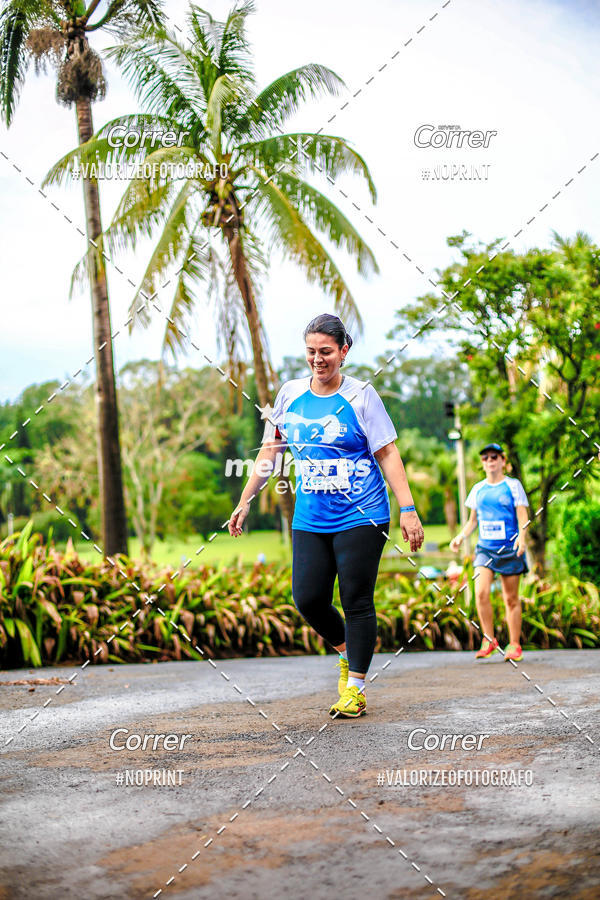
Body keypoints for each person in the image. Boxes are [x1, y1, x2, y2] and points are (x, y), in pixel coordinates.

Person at [228, 313, 424, 718]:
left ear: (344, 351)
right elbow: (271, 450)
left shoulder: (362, 396)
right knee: (309, 597)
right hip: (311, 514)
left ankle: (355, 688)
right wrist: (245, 499)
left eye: (326, 352)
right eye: (311, 352)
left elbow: (387, 453)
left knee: (355, 600)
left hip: (362, 512)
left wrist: (408, 509)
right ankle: (347, 654)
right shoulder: (290, 393)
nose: (318, 360)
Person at [449, 443, 529, 662]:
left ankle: (514, 645)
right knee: (481, 592)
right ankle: (489, 639)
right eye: (485, 458)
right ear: (482, 463)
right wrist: (460, 537)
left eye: (494, 457)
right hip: (485, 549)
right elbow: (472, 521)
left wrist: (522, 538)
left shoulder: (513, 486)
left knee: (510, 598)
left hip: (509, 549)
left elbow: (523, 516)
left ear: (503, 461)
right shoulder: (478, 489)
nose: (490, 461)